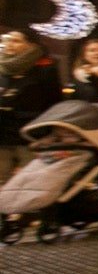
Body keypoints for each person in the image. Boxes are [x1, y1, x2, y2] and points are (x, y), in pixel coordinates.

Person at [1, 27, 62, 183]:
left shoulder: (45, 69)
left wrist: (50, 132)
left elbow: (54, 102)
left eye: (15, 41)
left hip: (31, 134)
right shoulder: (2, 68)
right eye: (6, 40)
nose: (9, 44)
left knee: (28, 181)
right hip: (3, 134)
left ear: (31, 45)